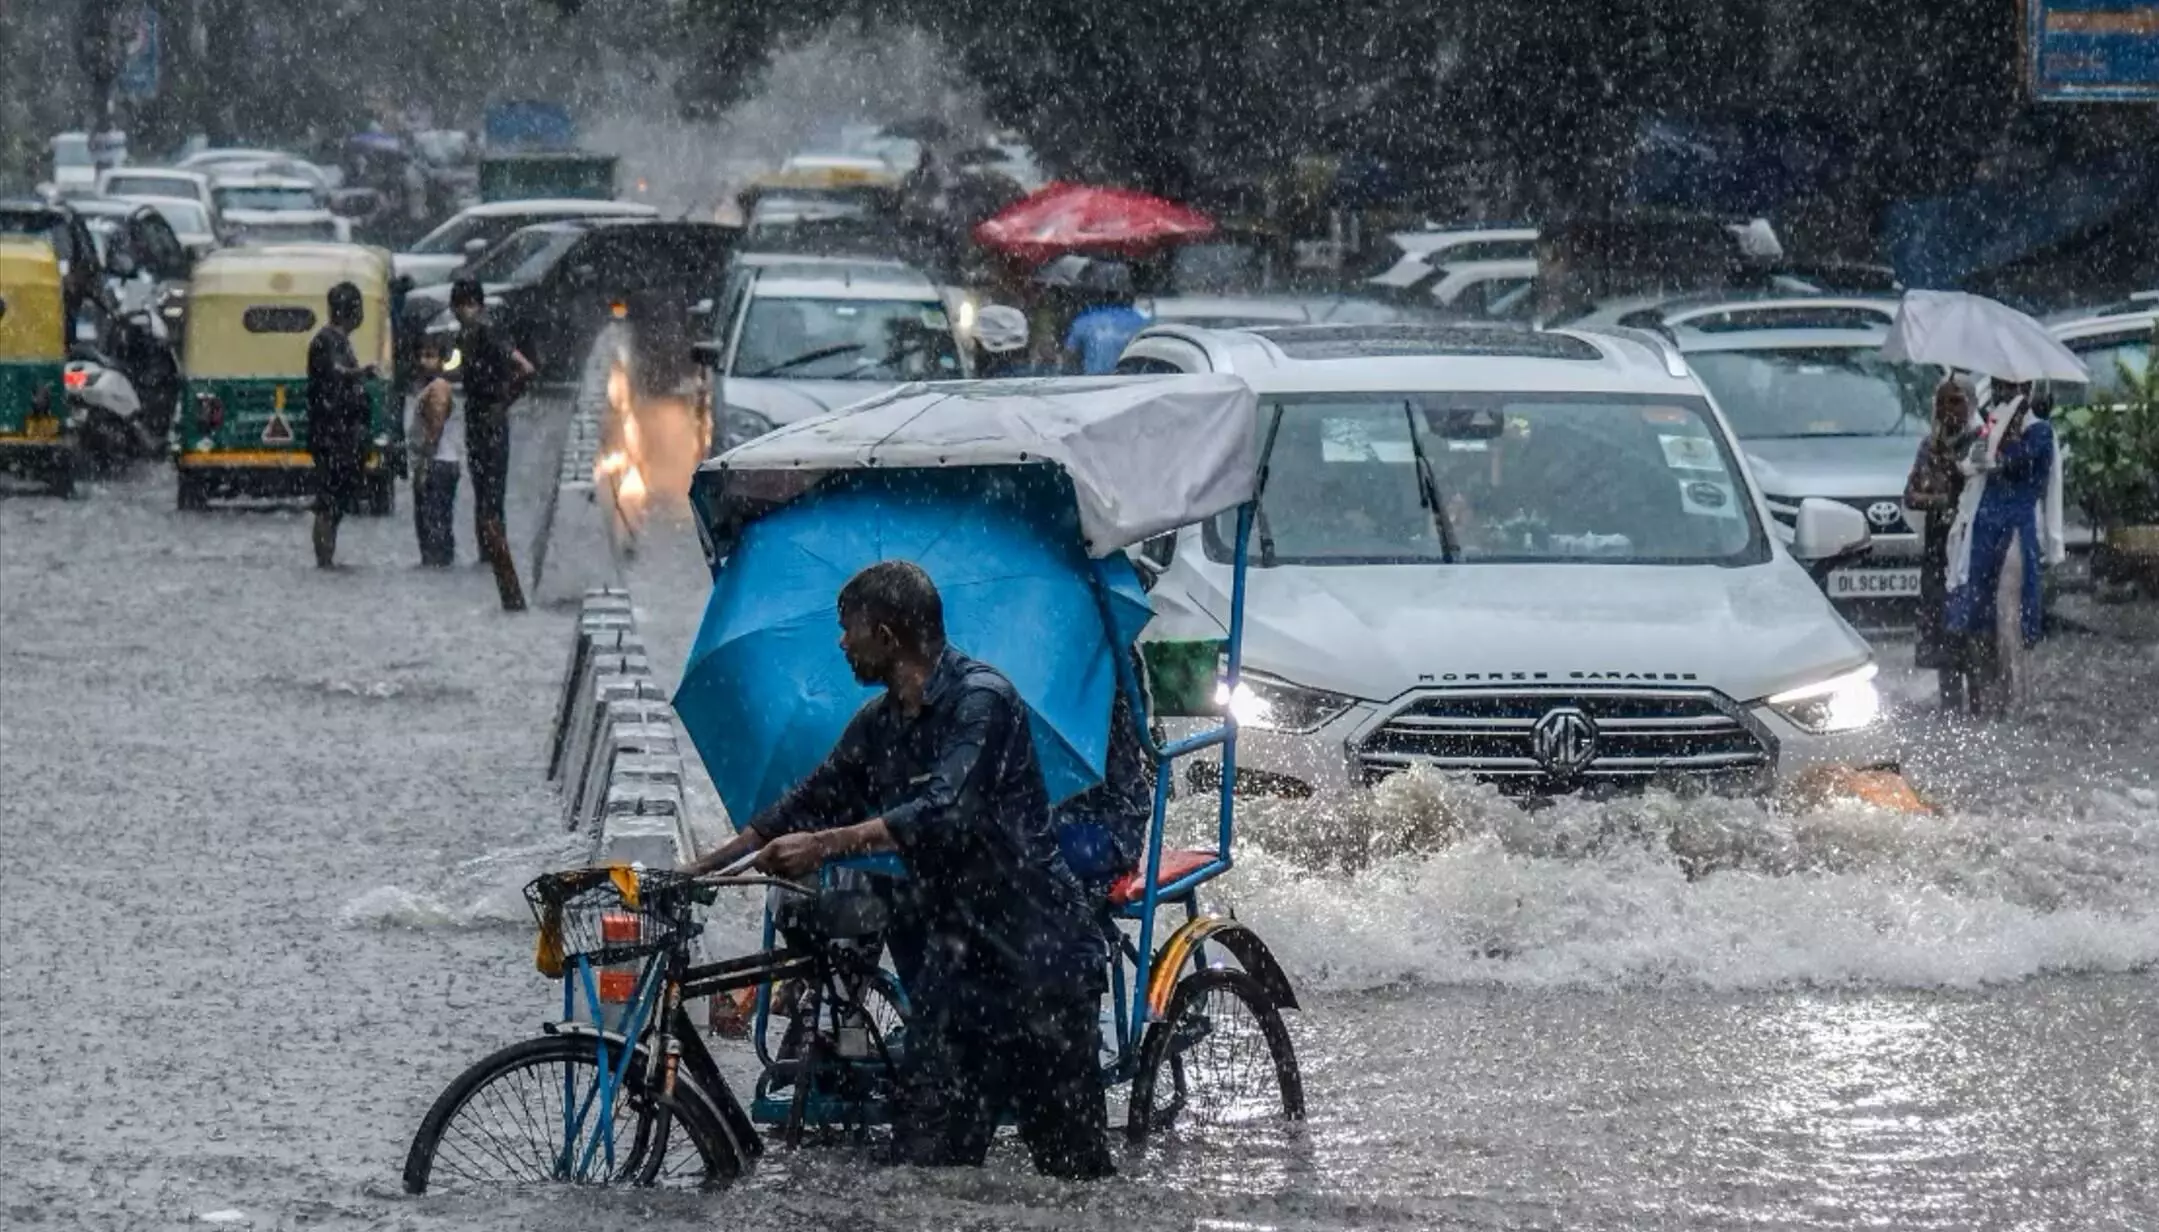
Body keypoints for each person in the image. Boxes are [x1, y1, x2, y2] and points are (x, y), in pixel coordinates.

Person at [685, 561, 1115, 1180]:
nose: (840, 643)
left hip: (1036, 969)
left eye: (847, 629)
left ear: (886, 637)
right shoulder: (878, 725)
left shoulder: (982, 702)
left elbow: (945, 809)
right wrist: (703, 871)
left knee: (1073, 1182)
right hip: (955, 977)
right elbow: (803, 804)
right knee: (926, 1175)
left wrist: (824, 847)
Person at [1943, 380, 2063, 717]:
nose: (2003, 392)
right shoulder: (1991, 425)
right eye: (1999, 385)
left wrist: (1993, 448)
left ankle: (2017, 696)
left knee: (2009, 611)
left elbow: (2016, 465)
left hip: (2015, 529)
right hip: (1984, 528)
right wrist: (1979, 444)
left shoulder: (2040, 434)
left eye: (2011, 387)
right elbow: (1971, 464)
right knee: (1981, 611)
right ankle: (1991, 694)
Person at [450, 278, 534, 611]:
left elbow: (525, 368)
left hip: (489, 419)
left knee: (490, 492)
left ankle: (495, 558)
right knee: (484, 489)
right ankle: (489, 557)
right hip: (479, 417)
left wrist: (502, 402)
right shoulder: (469, 334)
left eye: (461, 306)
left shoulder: (487, 331)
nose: (459, 314)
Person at [1903, 377, 1980, 709]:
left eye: (1957, 401)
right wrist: (1943, 499)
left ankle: (1979, 701)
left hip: (1968, 545)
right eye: (1943, 401)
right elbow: (1911, 494)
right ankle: (1949, 706)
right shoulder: (1929, 446)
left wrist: (1946, 491)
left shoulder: (1980, 444)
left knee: (1970, 623)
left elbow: (1976, 491)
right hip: (1938, 546)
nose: (1948, 409)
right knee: (1938, 617)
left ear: (1971, 405)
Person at [306, 282, 378, 569]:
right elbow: (335, 372)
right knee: (328, 503)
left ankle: (328, 557)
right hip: (330, 436)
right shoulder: (326, 341)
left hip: (342, 435)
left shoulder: (338, 340)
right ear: (353, 311)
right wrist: (361, 373)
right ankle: (324, 561)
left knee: (336, 504)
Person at [405, 338, 460, 567]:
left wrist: (425, 464)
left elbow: (435, 426)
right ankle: (439, 565)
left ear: (441, 361)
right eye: (421, 355)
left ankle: (437, 565)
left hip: (437, 463)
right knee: (435, 524)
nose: (423, 361)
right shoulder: (430, 386)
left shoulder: (438, 387)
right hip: (437, 463)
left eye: (430, 356)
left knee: (433, 526)